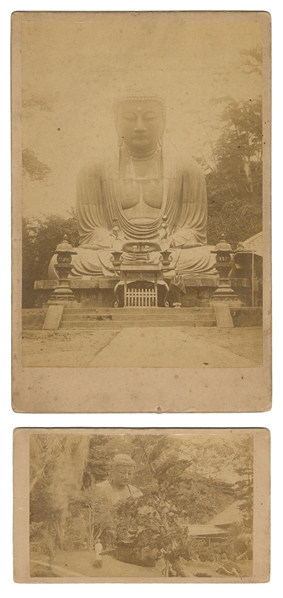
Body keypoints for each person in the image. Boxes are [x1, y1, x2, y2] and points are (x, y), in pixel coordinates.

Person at [48, 95, 216, 279]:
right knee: (62, 262)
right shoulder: (93, 169)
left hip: (167, 252)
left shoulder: (188, 168)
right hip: (115, 252)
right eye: (129, 118)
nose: (139, 127)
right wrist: (119, 245)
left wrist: (165, 243)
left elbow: (194, 231)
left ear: (163, 122)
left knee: (213, 259)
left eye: (150, 117)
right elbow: (91, 232)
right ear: (116, 123)